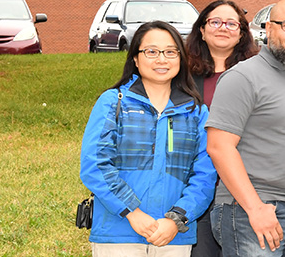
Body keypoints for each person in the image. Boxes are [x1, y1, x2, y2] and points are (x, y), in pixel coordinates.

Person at [80, 21, 217, 257]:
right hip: (118, 232)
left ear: (180, 58)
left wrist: (176, 220)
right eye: (151, 51)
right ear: (135, 58)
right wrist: (132, 212)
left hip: (174, 236)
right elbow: (96, 164)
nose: (161, 59)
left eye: (170, 52)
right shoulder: (114, 102)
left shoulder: (196, 112)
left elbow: (205, 174)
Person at [206, 0, 285, 257]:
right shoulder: (243, 77)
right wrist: (255, 208)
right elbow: (219, 147)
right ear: (268, 29)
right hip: (253, 211)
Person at [185, 0, 258, 257]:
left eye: (231, 23)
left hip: (244, 181)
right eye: (214, 22)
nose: (222, 28)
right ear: (202, 31)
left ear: (241, 33)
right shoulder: (180, 76)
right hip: (195, 182)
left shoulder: (257, 75)